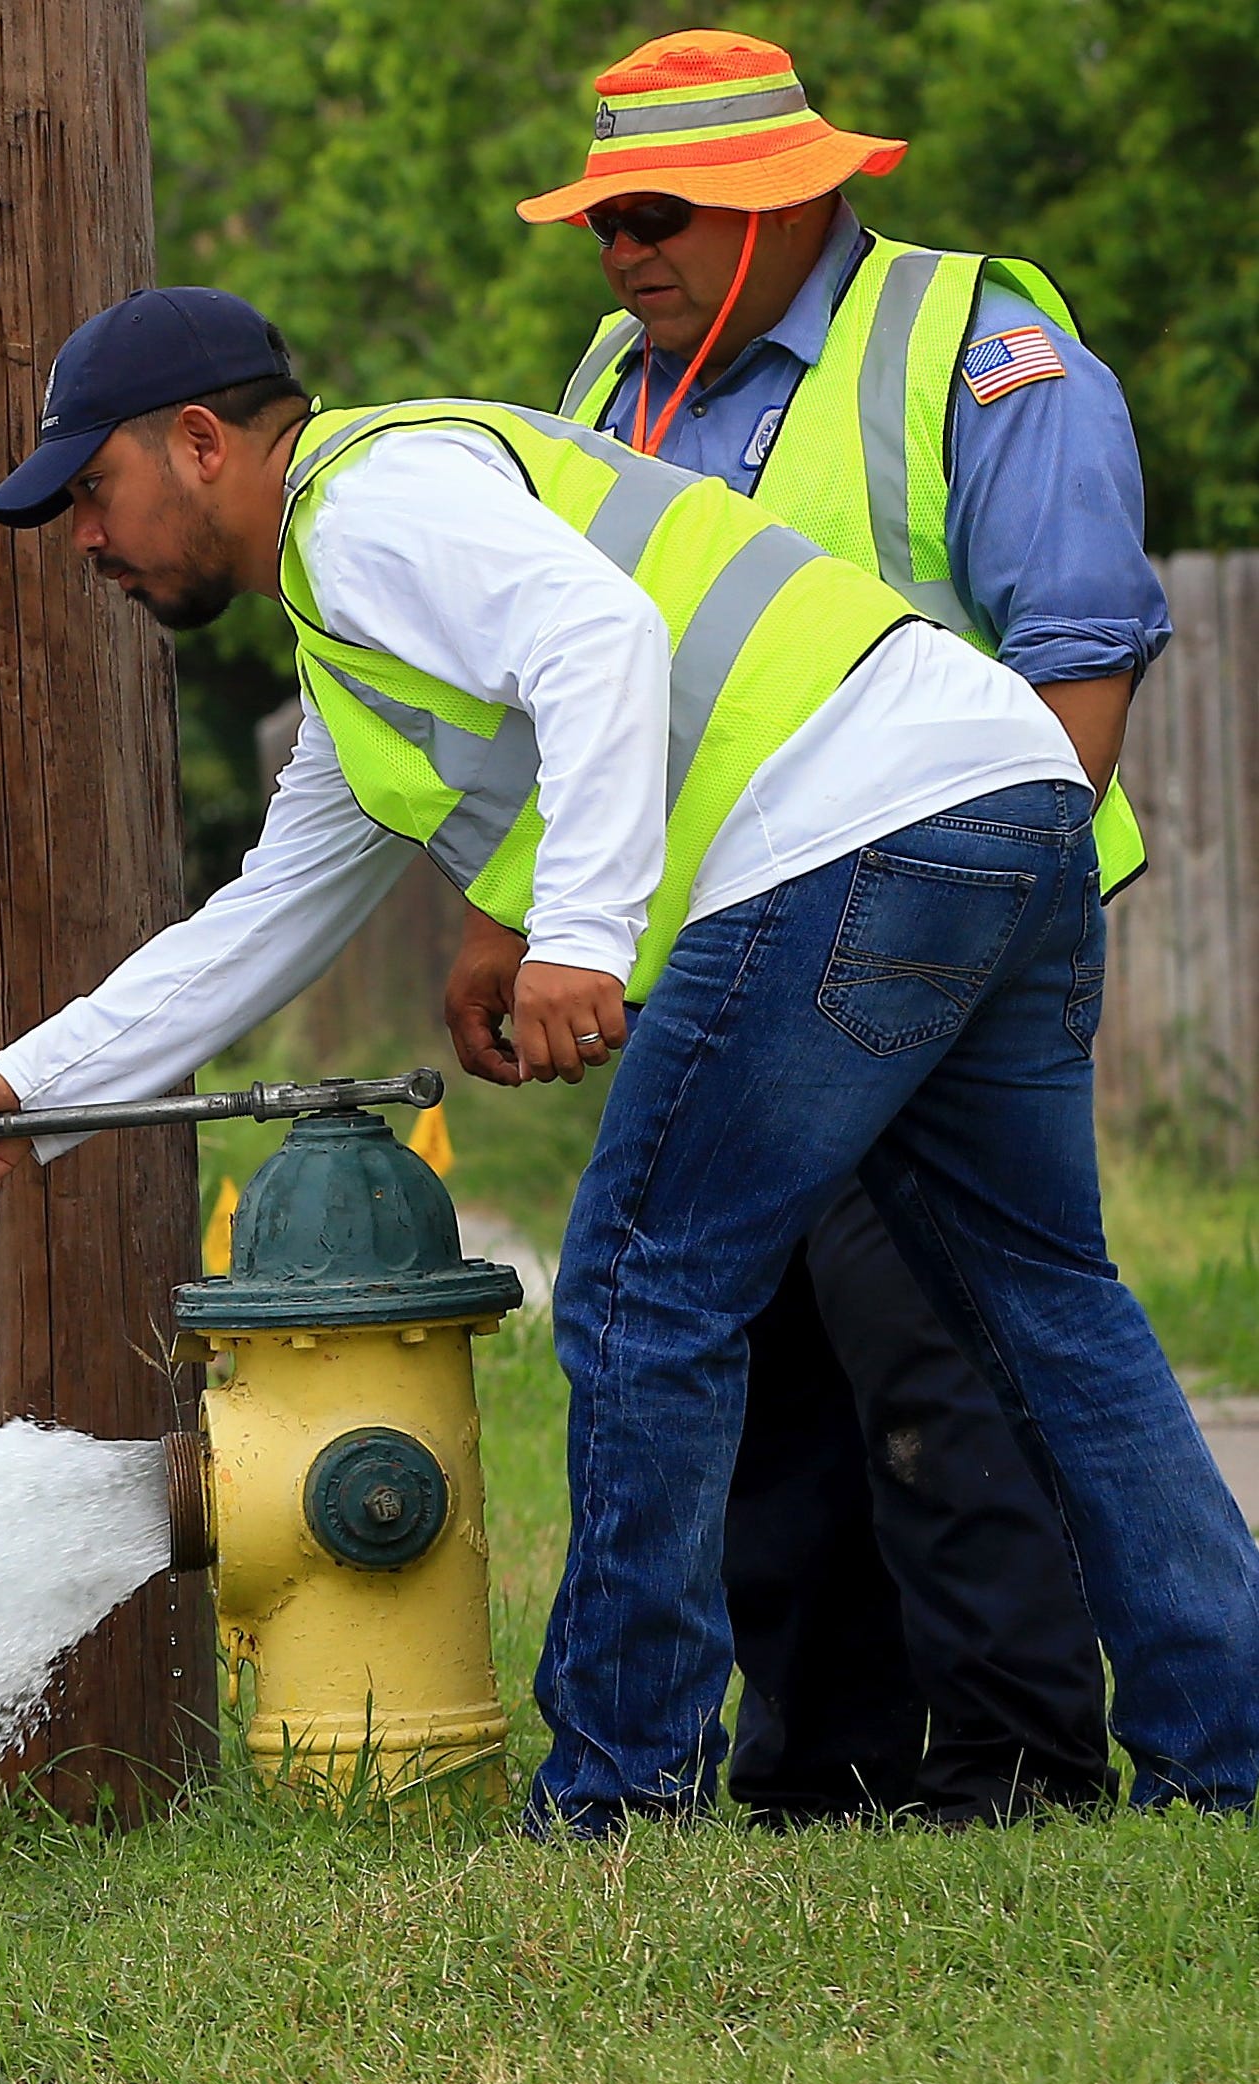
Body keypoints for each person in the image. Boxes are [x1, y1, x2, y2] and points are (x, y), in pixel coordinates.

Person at [0, 283, 1259, 1832]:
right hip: (1011, 796)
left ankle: (620, 1789)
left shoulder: (365, 505)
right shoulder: (359, 644)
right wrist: (29, 1093)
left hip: (857, 820)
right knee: (1045, 1307)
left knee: (637, 1278)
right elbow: (259, 925)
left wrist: (581, 935)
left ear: (202, 442)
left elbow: (598, 637)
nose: (86, 539)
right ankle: (1234, 1746)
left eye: (92, 491)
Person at [457, 29, 1168, 1824]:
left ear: (792, 199)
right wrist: (507, 915)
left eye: (664, 211)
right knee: (754, 1349)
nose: (625, 248)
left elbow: (1079, 648)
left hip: (925, 927)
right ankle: (821, 1755)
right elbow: (583, 692)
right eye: (603, 215)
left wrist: (988, 937)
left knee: (936, 1336)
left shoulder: (971, 345)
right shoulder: (609, 386)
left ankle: (1015, 1762)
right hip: (729, 952)